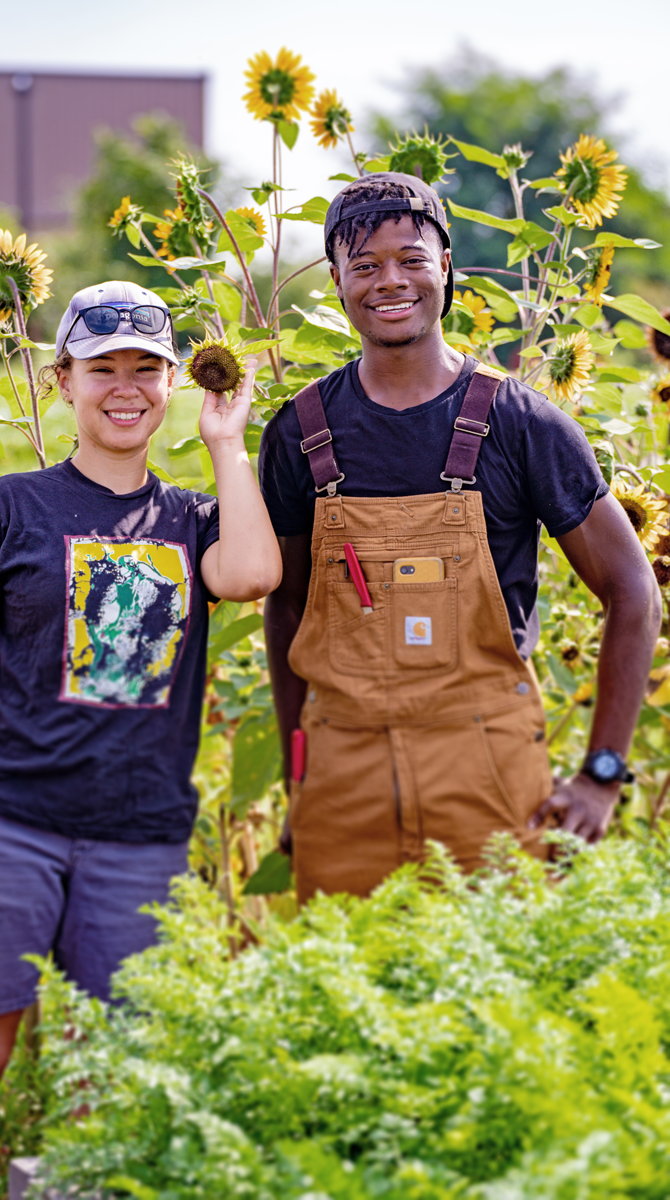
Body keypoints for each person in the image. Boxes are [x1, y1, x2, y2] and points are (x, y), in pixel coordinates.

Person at [0, 280, 282, 1200]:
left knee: (104, 1078)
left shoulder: (194, 521)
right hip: (6, 826)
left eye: (147, 369)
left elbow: (252, 573)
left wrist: (227, 442)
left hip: (138, 836)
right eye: (102, 367)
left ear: (172, 383)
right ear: (63, 381)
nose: (126, 387)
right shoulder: (8, 509)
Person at [259, 173, 662, 904]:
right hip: (342, 778)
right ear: (337, 281)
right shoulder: (299, 434)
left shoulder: (521, 425)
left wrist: (602, 773)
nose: (391, 281)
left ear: (447, 265)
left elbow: (633, 591)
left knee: (498, 1000)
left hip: (488, 773)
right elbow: (287, 610)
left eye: (411, 258)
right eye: (366, 264)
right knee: (340, 1000)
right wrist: (300, 776)